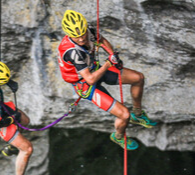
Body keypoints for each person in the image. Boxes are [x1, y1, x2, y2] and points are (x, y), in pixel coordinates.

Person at [57, 10, 156, 149]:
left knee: (138, 78)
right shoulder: (73, 53)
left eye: (82, 34)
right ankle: (118, 137)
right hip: (85, 84)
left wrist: (113, 56)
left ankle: (138, 113)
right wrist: (109, 63)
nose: (81, 39)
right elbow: (90, 80)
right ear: (69, 35)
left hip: (95, 69)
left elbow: (101, 40)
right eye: (76, 36)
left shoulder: (89, 31)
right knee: (124, 115)